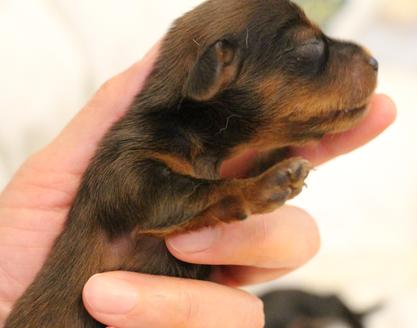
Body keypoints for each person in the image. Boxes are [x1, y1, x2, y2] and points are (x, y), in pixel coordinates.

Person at [0, 43, 396, 328]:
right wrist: (244, 195)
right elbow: (154, 198)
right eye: (309, 55)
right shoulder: (128, 158)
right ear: (217, 67)